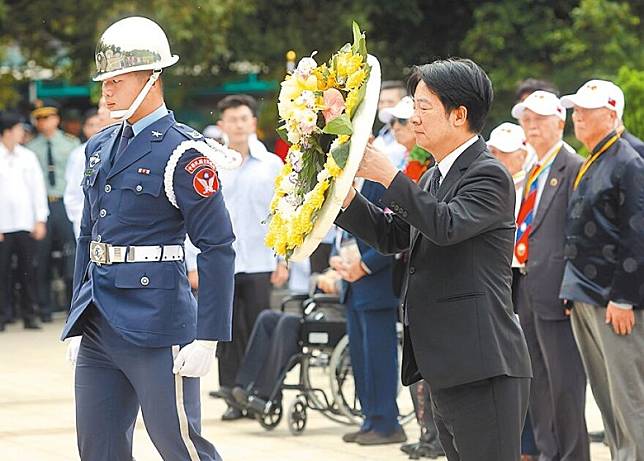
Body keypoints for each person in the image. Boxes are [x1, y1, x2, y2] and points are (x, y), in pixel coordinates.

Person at [336, 58, 532, 461]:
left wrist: (389, 176)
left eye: (424, 107)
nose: (414, 116)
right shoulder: (433, 176)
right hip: (446, 362)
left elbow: (446, 225)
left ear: (459, 114)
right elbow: (394, 235)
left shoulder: (488, 173)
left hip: (482, 363)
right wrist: (342, 195)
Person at [61, 17, 235, 461]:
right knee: (97, 449)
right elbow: (88, 235)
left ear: (152, 78)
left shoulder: (184, 152)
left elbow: (217, 246)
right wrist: (76, 317)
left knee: (180, 447)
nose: (107, 90)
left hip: (157, 322)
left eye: (118, 80)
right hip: (99, 320)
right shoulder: (98, 147)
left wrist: (208, 335)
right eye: (105, 80)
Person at [559, 79, 644, 461]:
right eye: (575, 110)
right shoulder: (595, 157)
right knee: (607, 396)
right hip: (585, 294)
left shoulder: (629, 159)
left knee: (629, 399)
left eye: (584, 110)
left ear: (611, 115)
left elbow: (637, 235)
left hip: (615, 300)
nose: (576, 116)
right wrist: (570, 288)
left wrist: (625, 296)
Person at [511, 91, 589, 461]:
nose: (531, 126)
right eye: (526, 119)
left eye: (539, 119)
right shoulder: (533, 167)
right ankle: (547, 451)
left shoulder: (570, 166)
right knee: (537, 377)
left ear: (560, 122)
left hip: (557, 287)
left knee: (565, 381)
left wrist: (573, 287)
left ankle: (573, 454)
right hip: (526, 281)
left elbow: (579, 232)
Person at [211, 94, 286, 421]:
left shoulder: (272, 165)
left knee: (260, 328)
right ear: (222, 124)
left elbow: (284, 213)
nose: (238, 125)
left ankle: (260, 394)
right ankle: (232, 395)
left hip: (259, 262)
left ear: (253, 123)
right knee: (225, 332)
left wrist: (283, 259)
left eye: (244, 118)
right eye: (232, 119)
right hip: (222, 263)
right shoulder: (211, 164)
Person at [333, 180, 405, 446]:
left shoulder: (378, 186)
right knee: (360, 359)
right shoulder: (342, 183)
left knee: (379, 358)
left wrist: (364, 265)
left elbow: (394, 235)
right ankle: (370, 419)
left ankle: (387, 422)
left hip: (375, 284)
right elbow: (340, 231)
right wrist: (335, 257)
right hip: (351, 284)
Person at [27, 99, 80, 322]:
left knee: (71, 254)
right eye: (39, 118)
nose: (43, 122)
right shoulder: (30, 149)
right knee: (41, 257)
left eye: (47, 117)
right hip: (41, 205)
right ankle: (44, 308)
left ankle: (72, 306)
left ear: (57, 119)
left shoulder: (71, 144)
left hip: (64, 203)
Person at [0, 111, 48, 331]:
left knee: (28, 271)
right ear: (7, 131)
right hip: (3, 224)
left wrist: (40, 219)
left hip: (25, 223)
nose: (22, 133)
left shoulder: (27, 157)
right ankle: (3, 315)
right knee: (2, 273)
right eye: (19, 129)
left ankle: (30, 314)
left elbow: (38, 189)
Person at [64, 101, 112, 238]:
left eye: (97, 124)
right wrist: (80, 219)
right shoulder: (80, 154)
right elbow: (73, 191)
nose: (95, 129)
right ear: (84, 128)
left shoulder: (117, 147)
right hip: (87, 221)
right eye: (90, 125)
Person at [372, 80, 408, 168]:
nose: (385, 106)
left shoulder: (412, 135)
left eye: (390, 102)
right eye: (381, 102)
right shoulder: (377, 137)